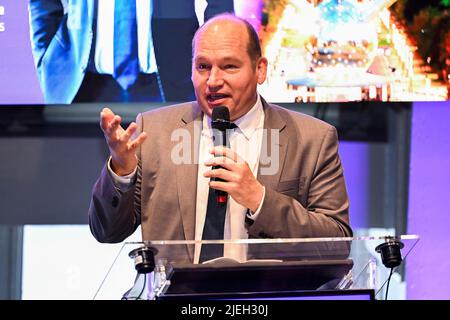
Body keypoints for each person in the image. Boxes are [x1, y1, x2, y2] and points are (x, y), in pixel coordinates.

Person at [88, 14, 352, 263]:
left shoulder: (312, 139)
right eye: (203, 67)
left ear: (260, 70)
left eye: (229, 66)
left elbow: (337, 243)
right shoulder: (154, 132)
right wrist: (121, 171)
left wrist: (260, 200)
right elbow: (107, 232)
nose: (213, 81)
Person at [28, 0, 234, 104]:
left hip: (173, 83)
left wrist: (213, 66)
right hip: (78, 85)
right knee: (70, 182)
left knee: (174, 183)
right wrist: (45, 58)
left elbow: (220, 3)